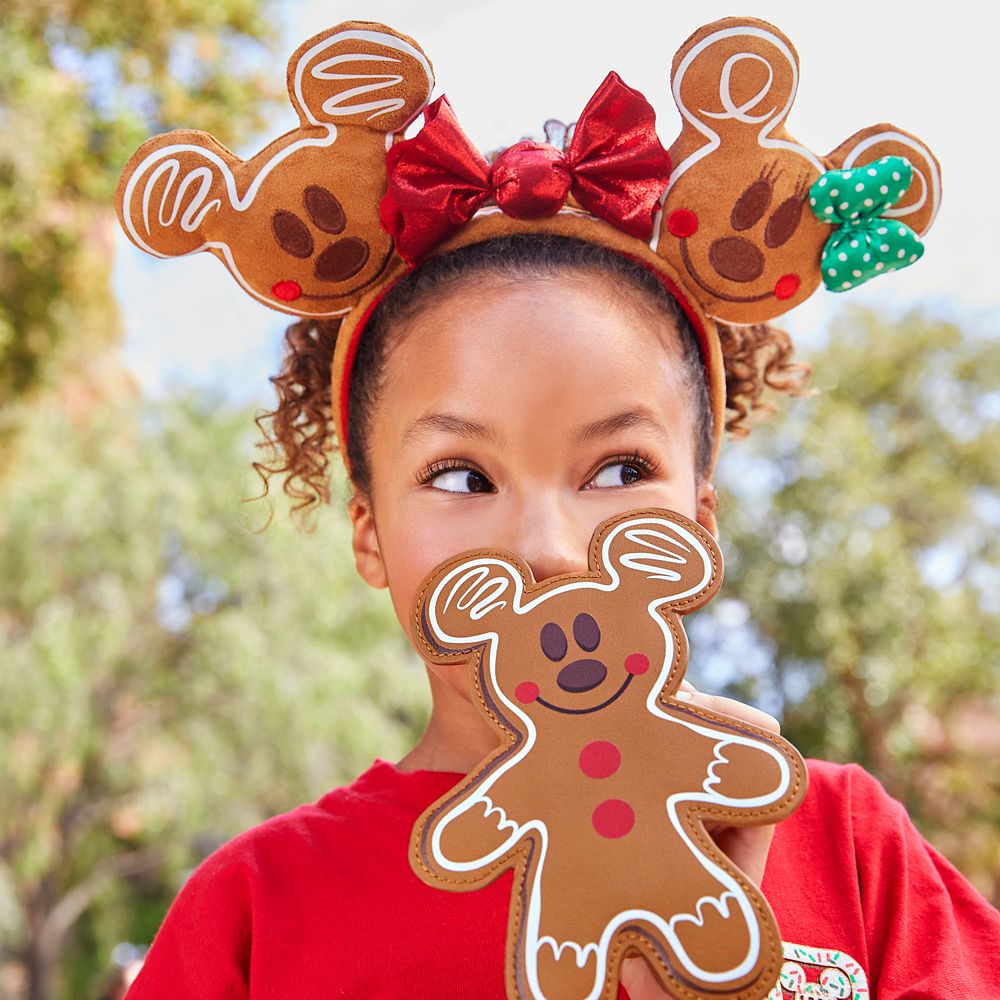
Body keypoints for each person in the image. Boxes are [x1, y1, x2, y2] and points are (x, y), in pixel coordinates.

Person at [116, 15, 999, 1000]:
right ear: (368, 531)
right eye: (460, 476)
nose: (548, 549)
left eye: (620, 470)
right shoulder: (253, 915)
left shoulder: (848, 846)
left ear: (700, 519)